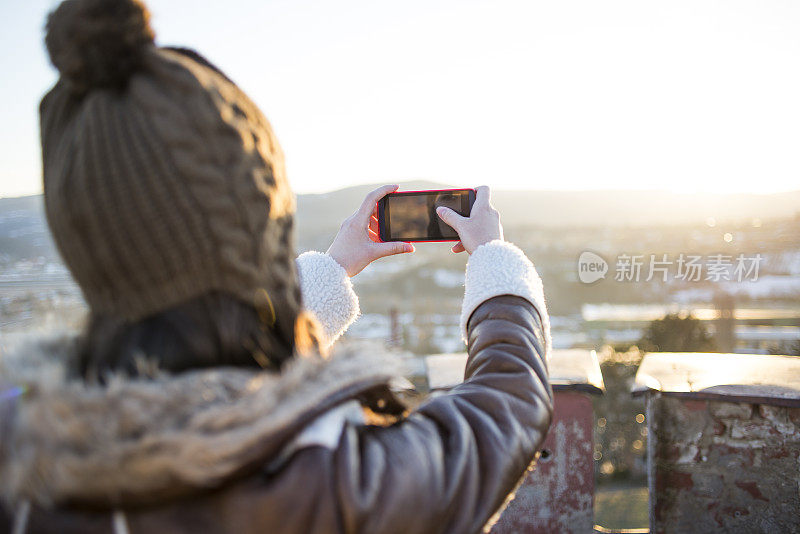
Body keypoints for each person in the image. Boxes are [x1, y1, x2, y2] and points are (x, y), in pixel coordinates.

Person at [0, 0, 552, 532]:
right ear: (260, 220)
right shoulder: (337, 485)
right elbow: (506, 409)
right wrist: (494, 265)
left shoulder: (21, 455)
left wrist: (333, 269)